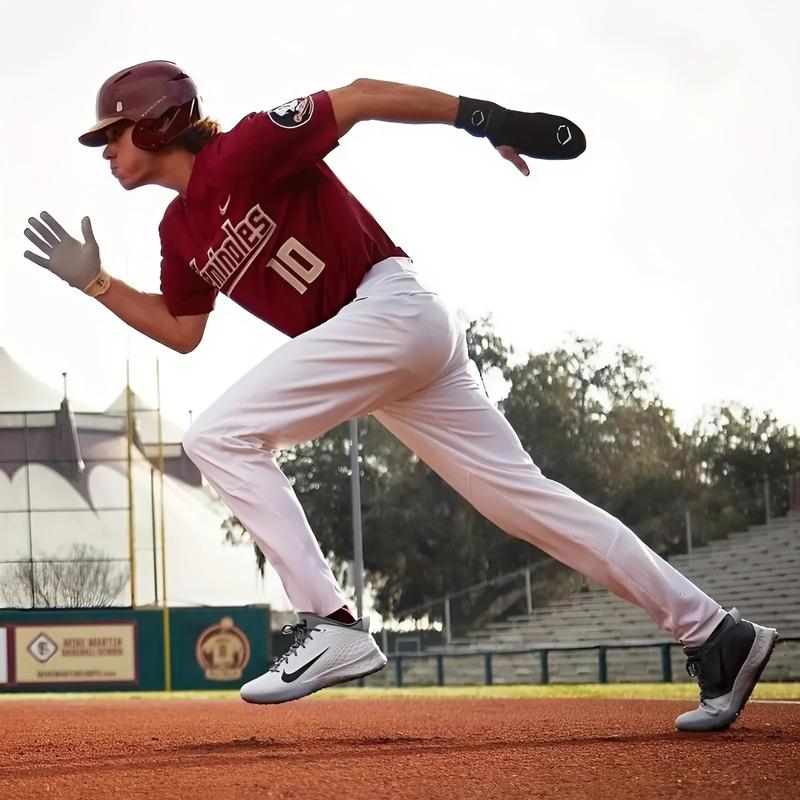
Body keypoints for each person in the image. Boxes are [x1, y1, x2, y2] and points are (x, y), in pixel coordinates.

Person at [24, 60, 777, 730]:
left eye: (113, 134)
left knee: (216, 436)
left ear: (156, 120)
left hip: (389, 306)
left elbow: (358, 97)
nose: (107, 150)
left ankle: (330, 621)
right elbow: (182, 328)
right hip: (386, 350)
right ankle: (716, 634)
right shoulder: (178, 229)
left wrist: (487, 120)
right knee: (526, 504)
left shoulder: (245, 147)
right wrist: (97, 284)